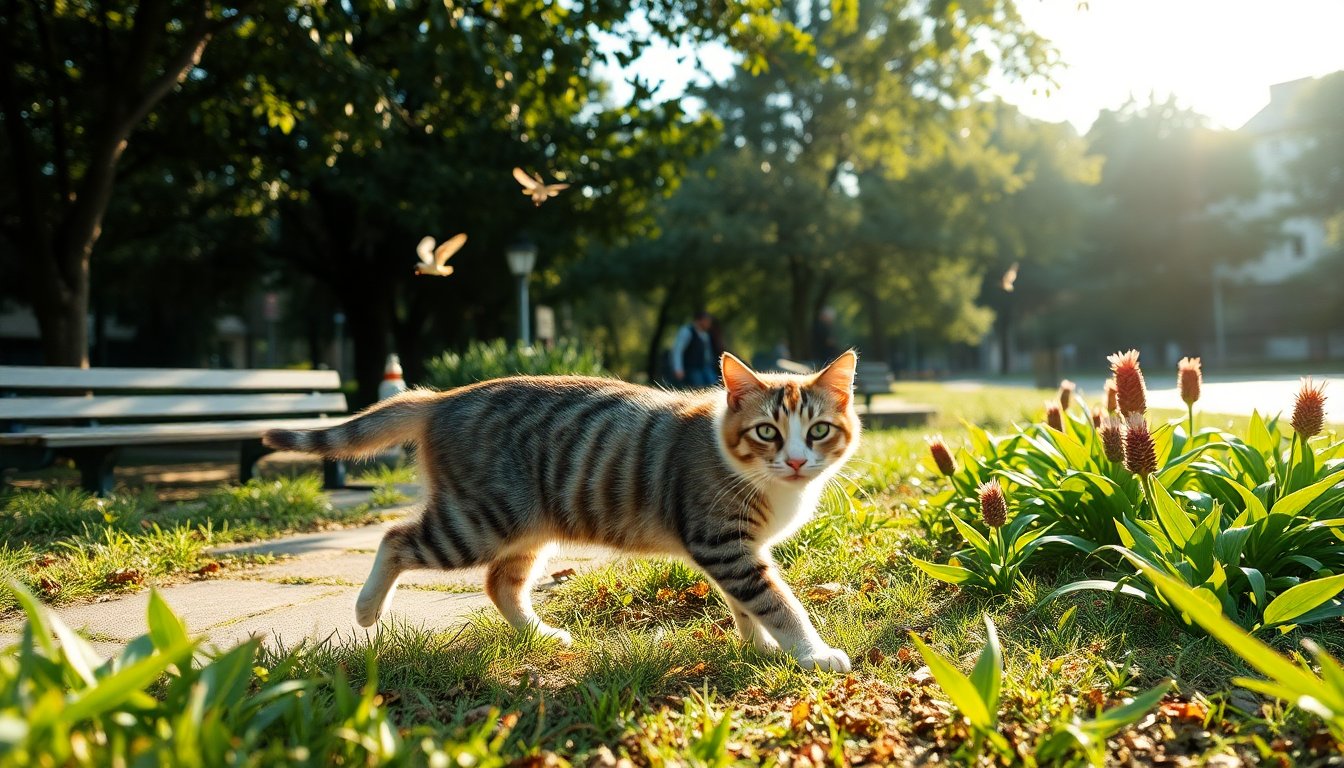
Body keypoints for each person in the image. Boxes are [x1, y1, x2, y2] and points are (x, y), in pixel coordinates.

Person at [671, 310, 718, 387]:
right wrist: (678, 369)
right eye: (708, 321)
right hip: (692, 368)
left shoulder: (705, 334)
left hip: (706, 367)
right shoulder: (687, 331)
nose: (709, 324)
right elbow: (677, 351)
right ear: (701, 320)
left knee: (714, 386)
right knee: (699, 389)